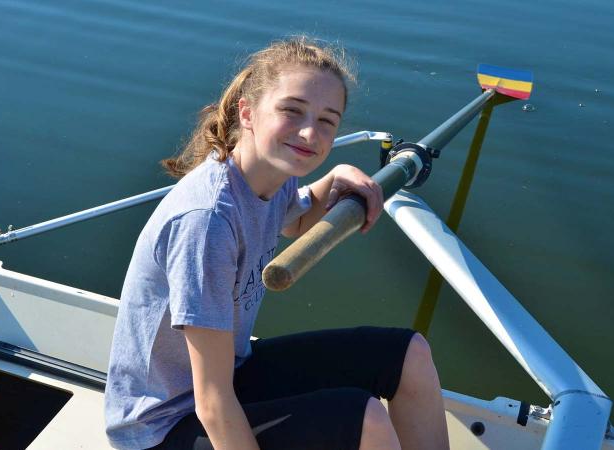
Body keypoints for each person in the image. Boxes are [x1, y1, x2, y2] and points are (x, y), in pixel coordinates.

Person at [104, 36, 448, 450]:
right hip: (163, 427)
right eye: (292, 110)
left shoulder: (269, 175)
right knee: (364, 420)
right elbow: (212, 404)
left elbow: (295, 220)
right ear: (247, 113)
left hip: (231, 374)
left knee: (408, 354)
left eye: (327, 120)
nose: (309, 133)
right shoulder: (207, 222)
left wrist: (331, 180)